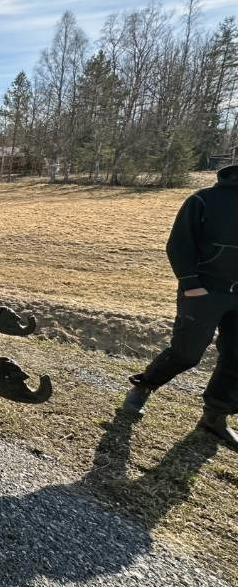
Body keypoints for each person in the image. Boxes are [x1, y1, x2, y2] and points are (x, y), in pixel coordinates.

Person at [122, 163, 238, 450]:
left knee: (237, 358)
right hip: (205, 290)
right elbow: (179, 245)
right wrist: (191, 285)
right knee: (187, 353)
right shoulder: (203, 200)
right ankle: (144, 385)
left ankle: (215, 417)